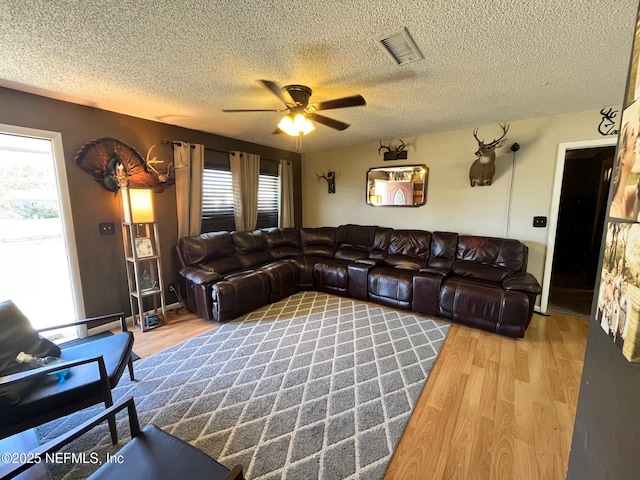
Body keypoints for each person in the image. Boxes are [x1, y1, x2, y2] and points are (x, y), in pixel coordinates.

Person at [609, 122, 639, 219]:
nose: (636, 137)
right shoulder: (613, 211)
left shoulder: (625, 196)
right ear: (623, 157)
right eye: (632, 134)